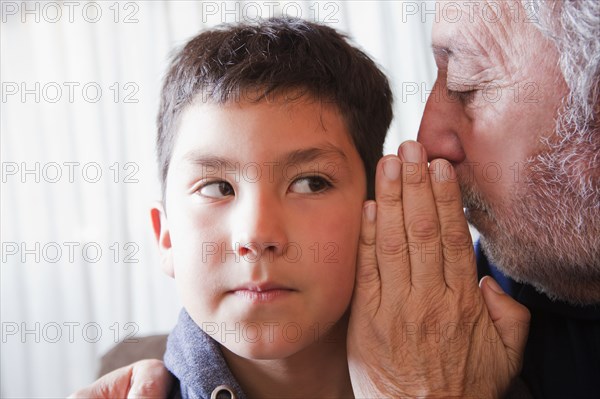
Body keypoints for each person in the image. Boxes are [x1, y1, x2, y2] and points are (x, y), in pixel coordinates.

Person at [83, 0, 600, 395]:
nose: (258, 234)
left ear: (377, 212)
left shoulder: (488, 348)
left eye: (310, 182)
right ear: (165, 236)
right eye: (217, 187)